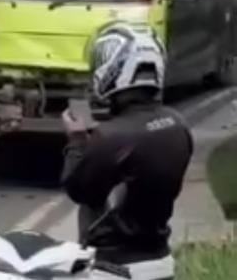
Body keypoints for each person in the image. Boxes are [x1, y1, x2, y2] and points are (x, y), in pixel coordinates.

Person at [61, 23, 192, 275]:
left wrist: (77, 141)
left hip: (114, 265)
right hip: (161, 259)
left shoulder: (111, 136)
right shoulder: (178, 124)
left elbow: (76, 187)